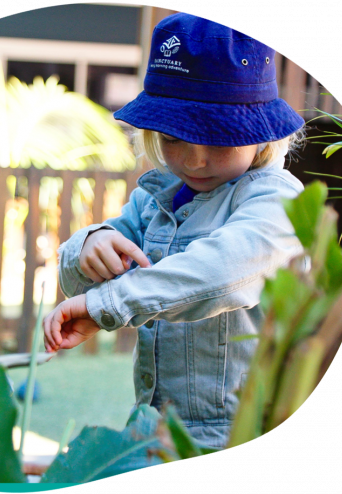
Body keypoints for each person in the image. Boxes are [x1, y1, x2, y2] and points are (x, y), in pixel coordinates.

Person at [43, 13, 306, 450]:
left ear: (261, 135)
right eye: (175, 137)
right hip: (151, 426)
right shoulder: (155, 198)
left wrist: (106, 303)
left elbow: (219, 274)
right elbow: (80, 283)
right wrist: (90, 245)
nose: (194, 160)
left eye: (219, 139)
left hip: (237, 430)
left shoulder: (276, 203)